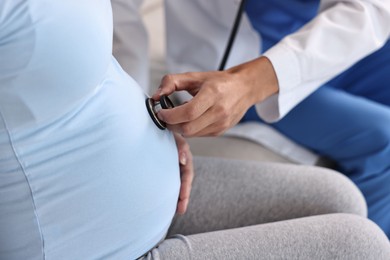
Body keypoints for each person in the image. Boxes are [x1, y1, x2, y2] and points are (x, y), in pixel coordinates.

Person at [1, 1, 390, 259]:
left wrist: (144, 117)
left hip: (302, 35)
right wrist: (248, 82)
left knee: (337, 195)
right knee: (362, 238)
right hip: (223, 62)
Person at [114, 0, 390, 237]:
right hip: (225, 67)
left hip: (319, 30)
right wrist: (139, 114)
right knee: (383, 139)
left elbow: (372, 9)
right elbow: (118, 16)